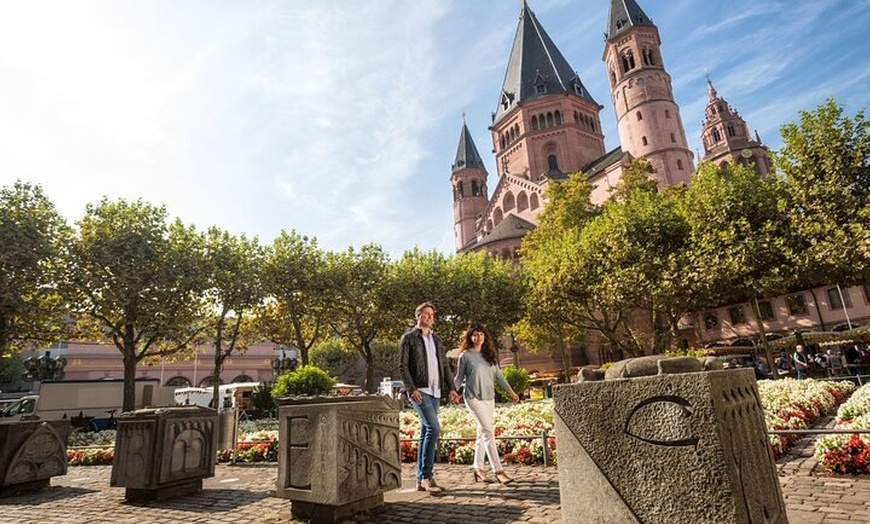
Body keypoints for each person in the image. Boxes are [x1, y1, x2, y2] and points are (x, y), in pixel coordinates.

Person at [398, 302, 461, 493]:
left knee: (427, 431)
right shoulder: (408, 338)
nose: (429, 317)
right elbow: (402, 366)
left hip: (436, 391)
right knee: (434, 428)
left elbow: (444, 367)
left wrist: (452, 388)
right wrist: (411, 388)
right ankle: (427, 476)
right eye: (425, 314)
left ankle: (420, 479)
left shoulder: (437, 340)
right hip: (420, 391)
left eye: (431, 314)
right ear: (418, 316)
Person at [454, 323, 519, 485]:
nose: (478, 337)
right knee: (489, 432)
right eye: (475, 335)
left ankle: (478, 467)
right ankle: (499, 470)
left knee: (482, 433)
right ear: (470, 337)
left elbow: (499, 376)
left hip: (489, 398)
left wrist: (511, 392)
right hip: (473, 398)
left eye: (481, 334)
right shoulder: (465, 356)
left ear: (485, 337)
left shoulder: (490, 355)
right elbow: (459, 377)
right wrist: (453, 392)